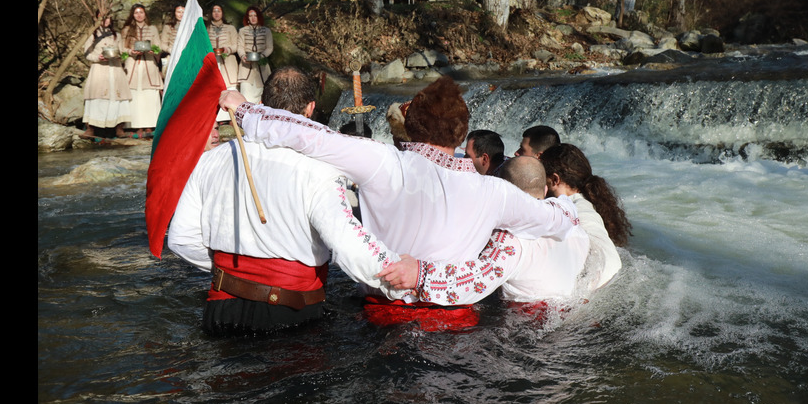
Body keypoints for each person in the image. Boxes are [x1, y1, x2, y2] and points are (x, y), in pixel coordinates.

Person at [219, 76, 580, 329]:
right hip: (456, 329)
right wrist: (567, 203)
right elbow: (557, 223)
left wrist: (245, 110)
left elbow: (309, 135)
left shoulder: (383, 162)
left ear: (412, 126)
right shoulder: (494, 192)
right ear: (460, 134)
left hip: (379, 322)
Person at [168, 67, 409, 335]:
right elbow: (348, 245)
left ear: (261, 105)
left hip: (221, 312)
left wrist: (236, 273)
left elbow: (182, 240)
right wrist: (402, 278)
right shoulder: (320, 170)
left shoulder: (210, 160)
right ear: (310, 109)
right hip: (289, 317)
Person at [380, 156, 596, 305]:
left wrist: (419, 274)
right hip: (569, 318)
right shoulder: (573, 223)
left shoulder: (510, 240)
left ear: (504, 191)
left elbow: (474, 280)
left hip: (529, 331)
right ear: (546, 188)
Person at [540, 143, 631, 287]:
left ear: (555, 180)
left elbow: (602, 262)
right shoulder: (587, 204)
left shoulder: (569, 210)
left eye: (541, 177)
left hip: (599, 283)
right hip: (614, 277)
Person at [81, 13, 130, 139]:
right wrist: (97, 57)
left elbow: (122, 51)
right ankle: (91, 128)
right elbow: (86, 53)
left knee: (118, 97)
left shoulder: (117, 35)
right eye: (102, 17)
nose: (105, 20)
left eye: (107, 17)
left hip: (116, 69)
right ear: (96, 18)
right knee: (97, 97)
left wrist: (122, 55)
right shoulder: (92, 34)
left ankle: (119, 128)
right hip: (99, 69)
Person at [122, 3, 162, 138]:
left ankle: (150, 125)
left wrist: (153, 50)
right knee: (135, 95)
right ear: (132, 15)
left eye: (141, 12)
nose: (139, 15)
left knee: (150, 94)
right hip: (133, 64)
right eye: (136, 13)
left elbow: (159, 46)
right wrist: (130, 51)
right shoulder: (127, 29)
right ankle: (135, 126)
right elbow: (122, 48)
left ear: (145, 14)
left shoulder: (153, 29)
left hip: (149, 64)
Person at [236, 6, 274, 104]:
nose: (253, 18)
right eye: (250, 16)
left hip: (262, 67)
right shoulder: (242, 31)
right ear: (247, 18)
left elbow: (269, 47)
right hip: (246, 67)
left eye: (255, 16)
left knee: (263, 94)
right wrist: (243, 56)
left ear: (259, 17)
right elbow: (240, 46)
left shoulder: (266, 31)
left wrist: (262, 56)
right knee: (245, 93)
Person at [207, 4, 240, 91]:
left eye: (219, 11)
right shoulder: (206, 29)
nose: (216, 13)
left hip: (228, 62)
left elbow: (236, 45)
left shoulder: (230, 28)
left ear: (222, 13)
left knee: (230, 90)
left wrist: (228, 49)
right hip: (212, 61)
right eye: (214, 11)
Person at [158, 3, 184, 76]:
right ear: (174, 13)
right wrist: (170, 50)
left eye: (183, 12)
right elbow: (163, 43)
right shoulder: (168, 26)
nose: (181, 14)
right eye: (178, 12)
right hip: (172, 56)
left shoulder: (192, 26)